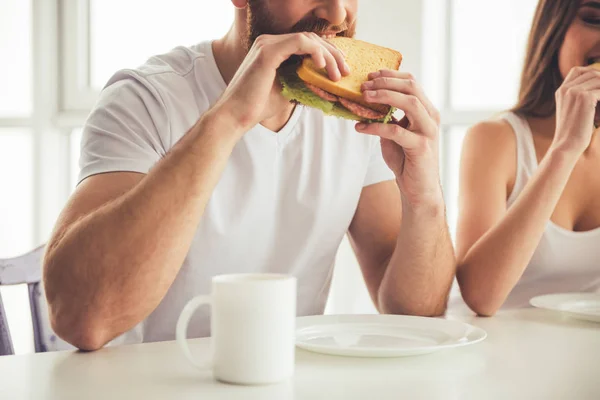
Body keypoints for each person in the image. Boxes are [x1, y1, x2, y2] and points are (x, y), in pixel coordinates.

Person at [43, 0, 455, 350]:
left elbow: (414, 313)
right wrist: (229, 118)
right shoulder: (145, 100)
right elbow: (80, 318)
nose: (338, 13)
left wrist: (425, 200)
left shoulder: (353, 119)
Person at [456, 0, 600, 316]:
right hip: (492, 351)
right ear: (553, 31)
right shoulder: (495, 139)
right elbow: (480, 296)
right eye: (593, 19)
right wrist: (565, 149)